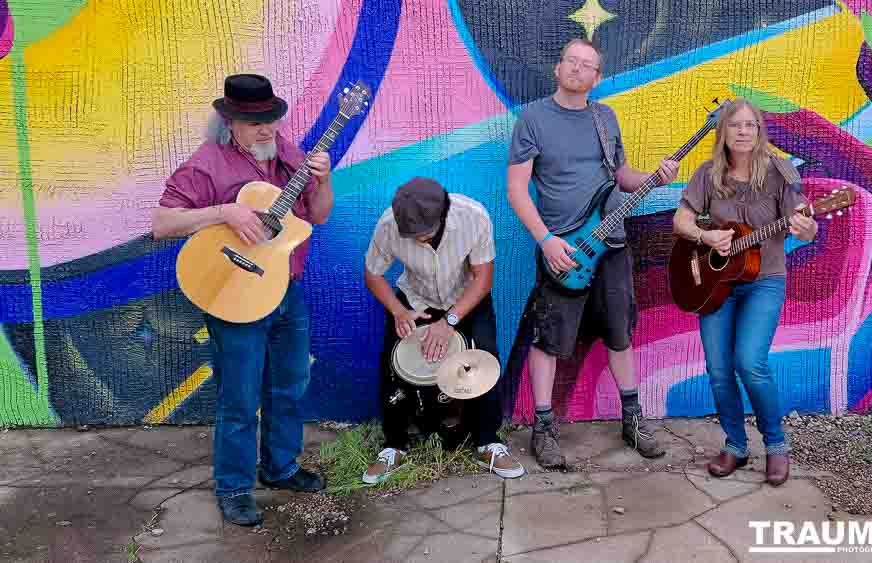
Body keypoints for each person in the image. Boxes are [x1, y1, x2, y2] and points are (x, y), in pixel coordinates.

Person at [152, 73, 333, 525]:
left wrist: (324, 180)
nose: (266, 129)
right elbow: (162, 223)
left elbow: (319, 214)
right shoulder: (207, 164)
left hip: (286, 291)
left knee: (290, 385)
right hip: (234, 296)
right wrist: (224, 211)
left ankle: (280, 467)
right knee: (239, 398)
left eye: (271, 118)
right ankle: (233, 487)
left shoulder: (288, 155)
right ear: (229, 121)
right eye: (254, 122)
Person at [506, 37, 680, 468]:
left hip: (613, 244)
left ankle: (633, 419)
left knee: (620, 333)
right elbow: (516, 188)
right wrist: (546, 241)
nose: (578, 70)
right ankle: (543, 427)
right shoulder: (533, 119)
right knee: (549, 339)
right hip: (562, 247)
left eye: (587, 65)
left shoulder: (605, 118)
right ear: (557, 68)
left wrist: (653, 179)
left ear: (597, 77)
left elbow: (620, 175)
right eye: (571, 61)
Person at [672, 98, 817, 486]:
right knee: (719, 370)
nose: (742, 131)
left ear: (759, 131)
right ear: (723, 133)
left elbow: (805, 222)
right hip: (716, 286)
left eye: (750, 125)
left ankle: (776, 447)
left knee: (749, 362)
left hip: (763, 281)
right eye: (735, 125)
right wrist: (705, 235)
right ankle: (736, 446)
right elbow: (681, 219)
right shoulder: (707, 174)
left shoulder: (779, 174)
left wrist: (806, 228)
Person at [362, 177, 525, 483]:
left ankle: (488, 442)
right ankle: (394, 445)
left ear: (443, 215)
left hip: (467, 297)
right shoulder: (387, 225)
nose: (420, 242)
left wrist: (449, 321)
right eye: (413, 238)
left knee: (484, 357)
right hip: (415, 299)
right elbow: (373, 274)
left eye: (425, 235)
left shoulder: (473, 216)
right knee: (392, 364)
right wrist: (398, 312)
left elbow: (482, 278)